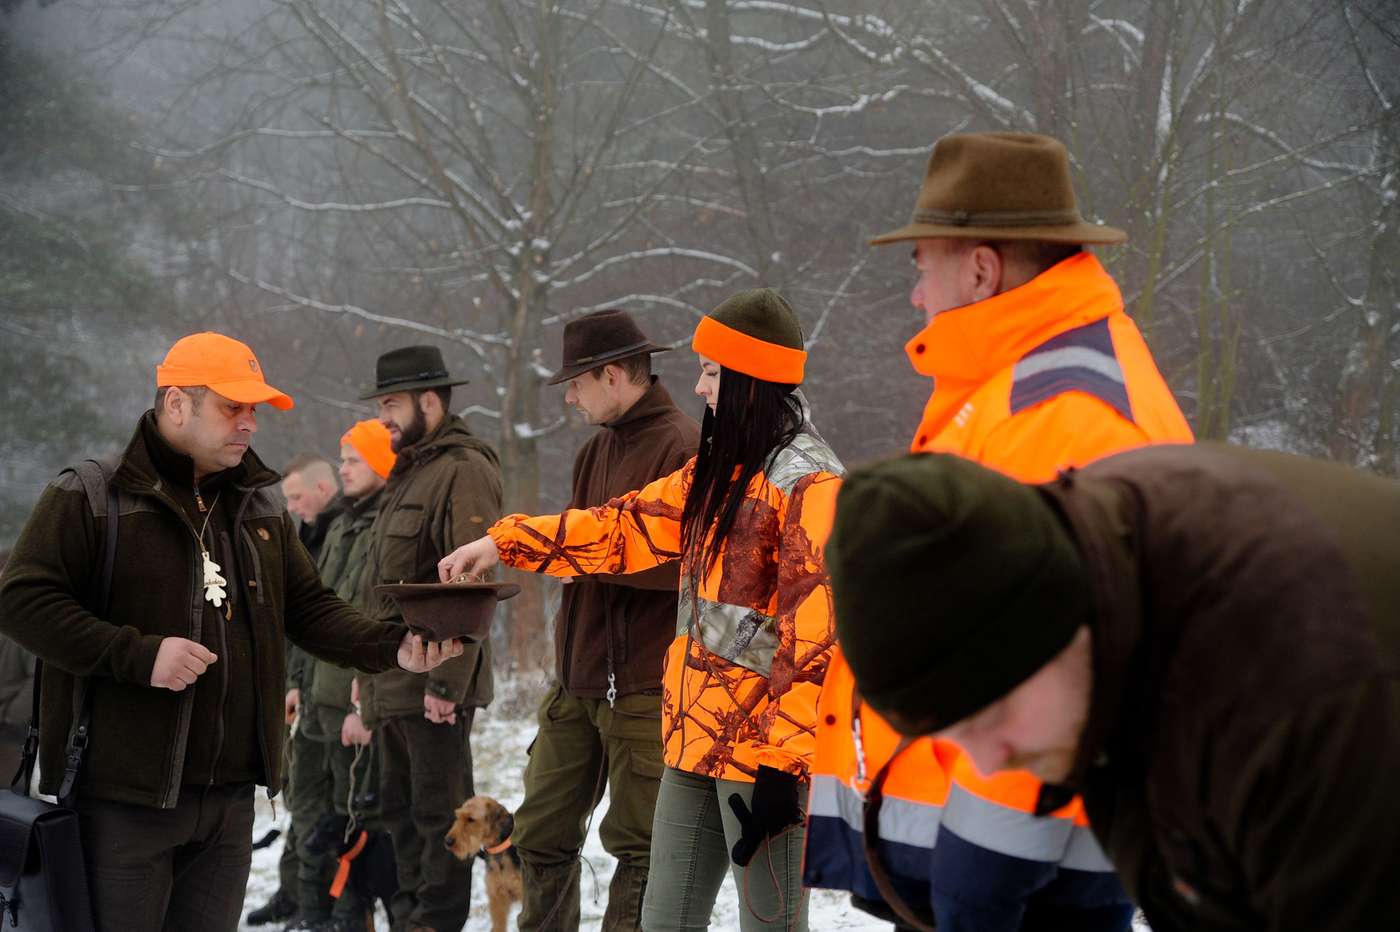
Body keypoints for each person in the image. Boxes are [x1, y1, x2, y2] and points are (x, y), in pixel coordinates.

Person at [804, 131, 1193, 931]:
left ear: (982, 270)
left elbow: (1051, 665)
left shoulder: (1058, 411)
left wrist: (981, 871)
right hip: (1005, 856)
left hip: (1018, 878)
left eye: (922, 267)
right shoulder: (1020, 383)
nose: (917, 296)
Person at [824, 443, 1400, 932]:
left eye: (991, 715)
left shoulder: (1310, 701)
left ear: (1053, 623)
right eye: (952, 736)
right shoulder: (1095, 567)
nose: (990, 764)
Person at [0, 331, 463, 932]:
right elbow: (20, 600)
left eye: (254, 409)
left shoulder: (259, 508)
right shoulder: (91, 494)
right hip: (121, 804)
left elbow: (310, 609)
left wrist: (392, 646)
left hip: (230, 804)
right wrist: (136, 655)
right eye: (231, 407)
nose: (249, 423)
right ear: (176, 403)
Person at [440, 289, 843, 932]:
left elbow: (815, 641)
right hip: (689, 739)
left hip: (762, 760)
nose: (700, 387)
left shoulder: (808, 481)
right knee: (664, 921)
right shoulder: (717, 469)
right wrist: (503, 542)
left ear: (751, 377)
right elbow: (620, 528)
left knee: (771, 925)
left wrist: (784, 766)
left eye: (712, 373)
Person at [511, 310, 700, 930]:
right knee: (539, 833)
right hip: (575, 683)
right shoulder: (593, 450)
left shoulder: (684, 446)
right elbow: (577, 543)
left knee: (641, 845)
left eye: (576, 383)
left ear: (613, 375)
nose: (570, 397)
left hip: (645, 686)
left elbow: (682, 568)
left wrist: (588, 562)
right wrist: (575, 561)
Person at [356, 344, 503, 932]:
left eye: (391, 404)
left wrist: (447, 682)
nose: (383, 418)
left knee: (440, 820)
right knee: (398, 815)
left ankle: (434, 925)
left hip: (433, 686)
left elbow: (472, 581)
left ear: (430, 402)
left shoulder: (464, 468)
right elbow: (378, 588)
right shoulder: (409, 471)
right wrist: (366, 675)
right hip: (392, 682)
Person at [286, 420, 398, 931]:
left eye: (354, 460)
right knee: (309, 815)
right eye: (343, 459)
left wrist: (362, 705)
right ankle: (312, 915)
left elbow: (377, 624)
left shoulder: (385, 528)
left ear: (381, 462)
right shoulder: (341, 526)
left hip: (348, 707)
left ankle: (345, 921)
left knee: (351, 824)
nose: (343, 469)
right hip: (315, 698)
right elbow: (312, 613)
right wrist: (295, 681)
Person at [264, 452, 345, 928]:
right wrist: (293, 682)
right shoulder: (306, 536)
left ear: (322, 488)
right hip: (307, 686)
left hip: (336, 688)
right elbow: (296, 624)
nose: (292, 507)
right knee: (302, 796)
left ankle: (320, 901)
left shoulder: (343, 531)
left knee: (330, 803)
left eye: (296, 497)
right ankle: (294, 892)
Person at [0, 550, 35, 783]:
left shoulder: (23, 624)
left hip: (10, 731)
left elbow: (35, 679)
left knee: (6, 793)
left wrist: (11, 716)